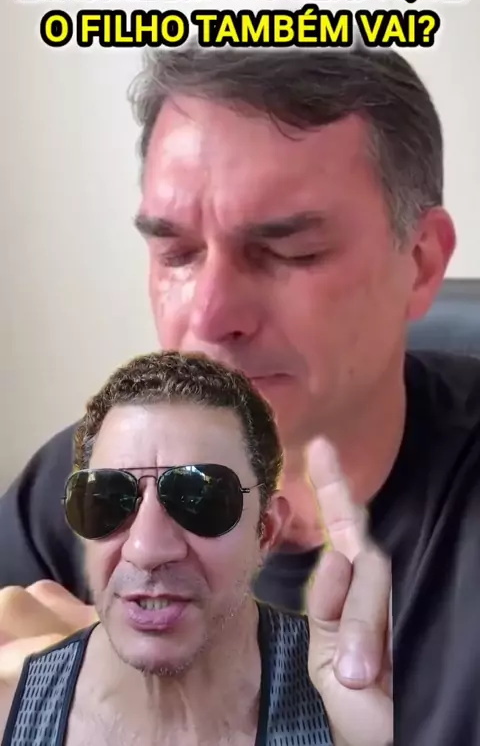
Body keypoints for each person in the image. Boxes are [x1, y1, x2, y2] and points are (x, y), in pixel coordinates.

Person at [0, 42, 479, 746]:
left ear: (420, 262)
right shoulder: (83, 486)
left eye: (288, 253)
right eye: (176, 254)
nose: (210, 314)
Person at [0, 350, 392, 746]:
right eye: (107, 500)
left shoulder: (342, 700)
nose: (146, 549)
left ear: (266, 531)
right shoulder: (10, 710)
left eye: (200, 500)